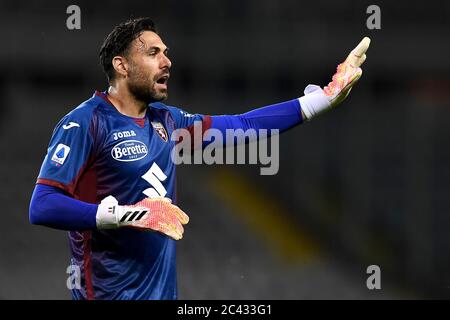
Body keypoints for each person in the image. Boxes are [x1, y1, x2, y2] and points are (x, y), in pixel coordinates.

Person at [28, 17, 370, 300]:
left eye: (166, 53)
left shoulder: (168, 121)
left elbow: (243, 125)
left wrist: (323, 98)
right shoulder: (85, 122)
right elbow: (42, 206)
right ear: (122, 65)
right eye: (153, 53)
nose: (167, 61)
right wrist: (124, 214)